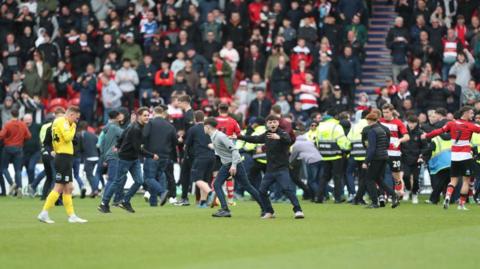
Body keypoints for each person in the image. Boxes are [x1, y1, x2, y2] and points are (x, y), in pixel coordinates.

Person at [237, 115, 305, 219]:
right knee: (262, 191)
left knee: (287, 189)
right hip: (270, 170)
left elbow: (288, 140)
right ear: (267, 124)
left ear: (278, 123)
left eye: (274, 122)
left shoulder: (283, 133)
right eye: (270, 122)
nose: (272, 124)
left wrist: (279, 137)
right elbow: (255, 139)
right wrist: (239, 136)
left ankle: (298, 211)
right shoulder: (267, 134)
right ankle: (269, 212)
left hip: (282, 169)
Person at [203, 117, 264, 218]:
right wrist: (213, 147)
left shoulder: (220, 136)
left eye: (204, 127)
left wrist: (234, 165)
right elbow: (224, 149)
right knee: (220, 185)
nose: (203, 129)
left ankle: (265, 208)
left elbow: (235, 150)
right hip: (228, 164)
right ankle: (225, 209)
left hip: (232, 164)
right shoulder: (215, 136)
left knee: (244, 186)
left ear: (207, 127)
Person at [422, 106, 480, 210]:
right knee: (466, 181)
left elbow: (439, 131)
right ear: (465, 113)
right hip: (466, 157)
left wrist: (427, 135)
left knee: (453, 181)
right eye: (471, 113)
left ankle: (447, 196)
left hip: (454, 157)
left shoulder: (451, 124)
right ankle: (461, 204)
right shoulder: (470, 126)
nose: (472, 115)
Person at [37, 106, 87, 224]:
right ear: (71, 115)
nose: (76, 121)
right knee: (59, 187)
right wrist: (73, 127)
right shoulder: (63, 122)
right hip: (63, 157)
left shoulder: (58, 122)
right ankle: (44, 213)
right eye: (76, 118)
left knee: (68, 188)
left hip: (65, 156)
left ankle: (72, 216)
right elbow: (68, 137)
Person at [98, 107, 152, 213]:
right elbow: (137, 147)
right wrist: (151, 155)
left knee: (138, 181)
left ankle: (125, 201)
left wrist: (118, 145)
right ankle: (104, 203)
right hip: (125, 158)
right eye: (145, 115)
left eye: (147, 115)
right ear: (139, 116)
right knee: (117, 181)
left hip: (133, 158)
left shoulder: (134, 126)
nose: (147, 117)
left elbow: (123, 134)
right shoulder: (134, 128)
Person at [363, 113, 400, 209]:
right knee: (378, 179)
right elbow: (387, 144)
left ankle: (375, 202)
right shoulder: (382, 130)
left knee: (369, 179)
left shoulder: (372, 131)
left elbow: (372, 148)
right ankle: (394, 195)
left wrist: (366, 161)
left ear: (370, 120)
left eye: (367, 120)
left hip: (376, 158)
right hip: (384, 156)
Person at [142, 106, 177, 207]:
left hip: (152, 155)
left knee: (149, 178)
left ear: (153, 112)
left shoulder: (150, 123)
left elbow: (144, 136)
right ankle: (153, 203)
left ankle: (162, 192)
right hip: (165, 156)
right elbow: (175, 142)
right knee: (156, 178)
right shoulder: (170, 126)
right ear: (163, 113)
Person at [316, 109, 351, 203]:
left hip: (324, 155)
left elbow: (317, 141)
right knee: (337, 177)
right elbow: (342, 141)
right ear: (336, 116)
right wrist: (349, 148)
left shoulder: (321, 126)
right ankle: (337, 198)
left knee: (324, 177)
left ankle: (319, 197)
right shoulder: (337, 126)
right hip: (336, 155)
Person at [185, 111, 215, 208]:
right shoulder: (209, 128)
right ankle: (203, 202)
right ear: (204, 118)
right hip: (212, 156)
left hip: (201, 156)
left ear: (194, 119)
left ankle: (211, 193)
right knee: (205, 180)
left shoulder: (193, 129)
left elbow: (187, 145)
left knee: (196, 178)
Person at [0, 108, 31, 197]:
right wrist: (21, 139)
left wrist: (7, 138)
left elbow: (1, 135)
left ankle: (11, 183)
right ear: (18, 115)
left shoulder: (8, 124)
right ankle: (20, 187)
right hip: (19, 148)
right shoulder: (22, 124)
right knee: (18, 170)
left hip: (8, 148)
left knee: (4, 168)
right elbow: (29, 136)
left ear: (11, 114)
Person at [380, 104, 410, 196]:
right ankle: (384, 195)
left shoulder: (398, 122)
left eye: (387, 112)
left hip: (395, 153)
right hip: (382, 152)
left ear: (392, 112)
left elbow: (407, 137)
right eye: (383, 112)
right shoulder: (380, 121)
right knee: (381, 174)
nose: (385, 114)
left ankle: (398, 192)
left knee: (396, 176)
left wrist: (400, 140)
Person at [401, 115, 428, 204]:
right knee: (406, 176)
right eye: (409, 123)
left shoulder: (421, 133)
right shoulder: (404, 133)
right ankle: (408, 189)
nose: (411, 125)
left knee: (416, 179)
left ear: (417, 123)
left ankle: (414, 193)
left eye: (413, 123)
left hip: (417, 160)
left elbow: (425, 147)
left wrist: (421, 156)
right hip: (405, 159)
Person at [176, 95, 194, 206]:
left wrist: (183, 139)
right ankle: (186, 197)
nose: (178, 104)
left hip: (189, 148)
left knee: (185, 173)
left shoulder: (189, 115)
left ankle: (185, 198)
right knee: (186, 173)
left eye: (179, 102)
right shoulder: (189, 114)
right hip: (190, 147)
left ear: (185, 102)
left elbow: (190, 131)